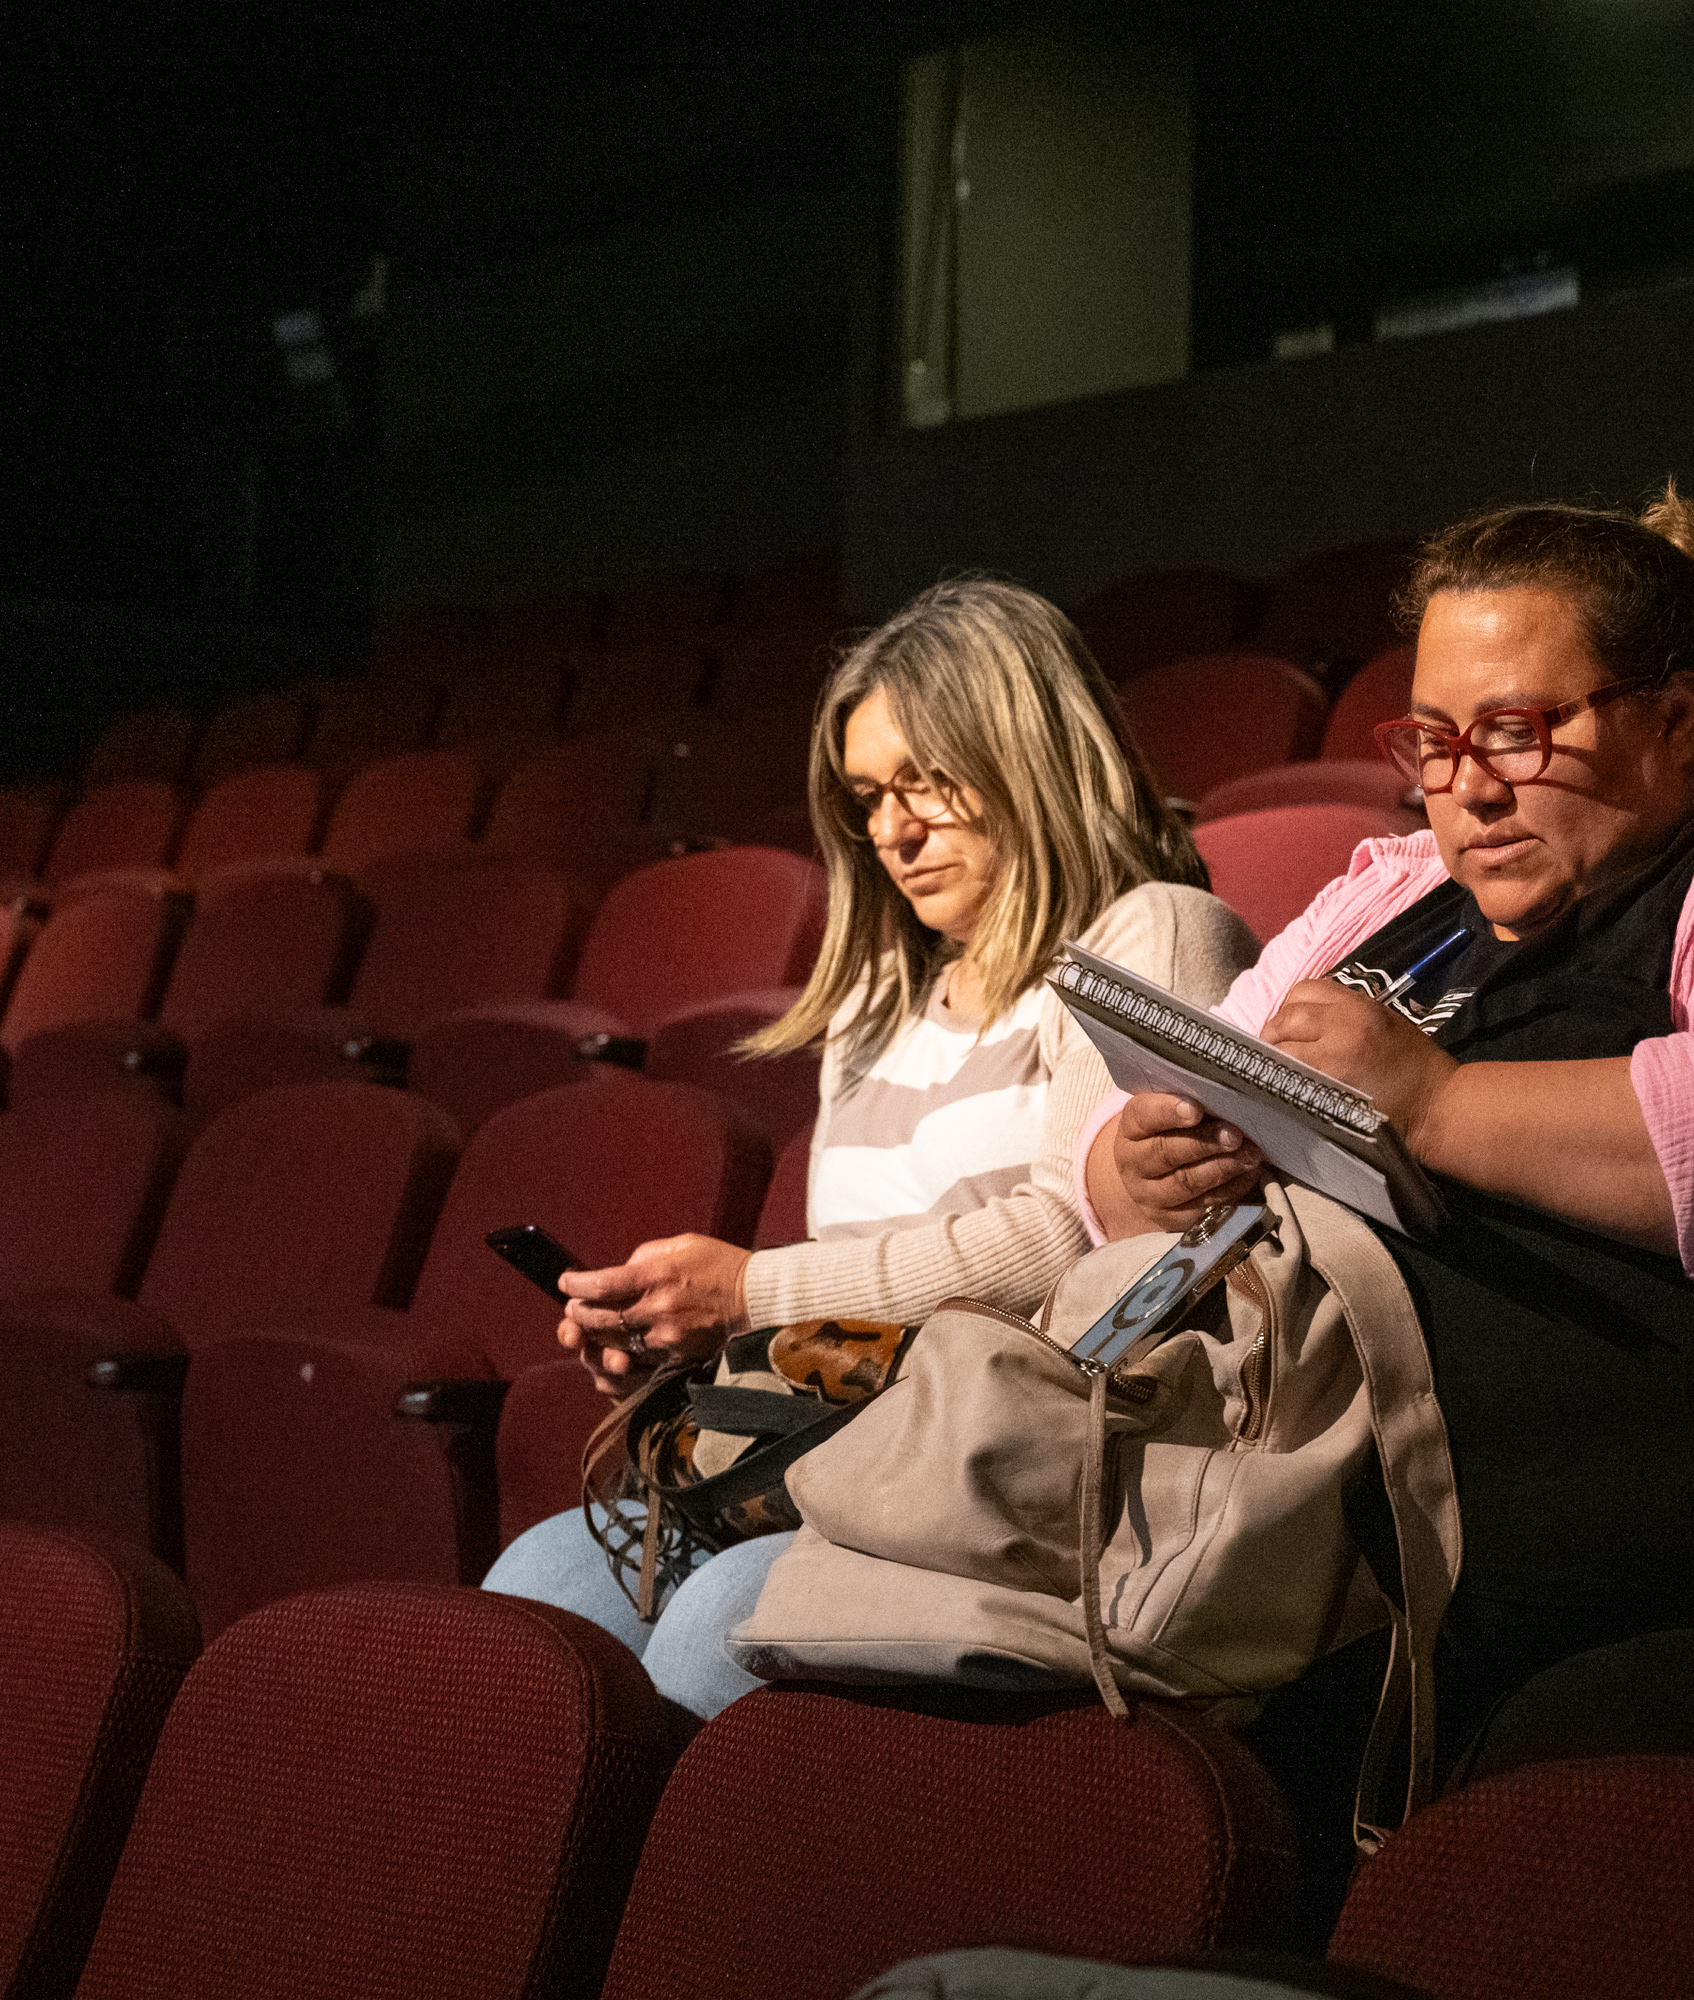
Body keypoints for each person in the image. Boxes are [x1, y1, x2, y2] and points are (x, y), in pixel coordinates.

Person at [1084, 489, 1694, 1775]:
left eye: (1516, 731)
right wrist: (1140, 1163)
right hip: (1309, 1558)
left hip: (1670, 1605)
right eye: (1433, 740)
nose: (1467, 788)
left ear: (1674, 718)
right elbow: (1164, 1109)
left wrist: (1431, 1102)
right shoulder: (1396, 900)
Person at [484, 578, 1258, 1717]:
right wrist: (687, 1336)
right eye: (868, 798)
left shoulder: (1153, 931)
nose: (894, 831)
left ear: (1028, 754)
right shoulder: (874, 1007)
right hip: (848, 1458)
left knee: (720, 1625)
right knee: (534, 1596)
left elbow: (1095, 1241)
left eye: (927, 781)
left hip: (1035, 1474)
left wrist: (748, 1290)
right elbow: (849, 1307)